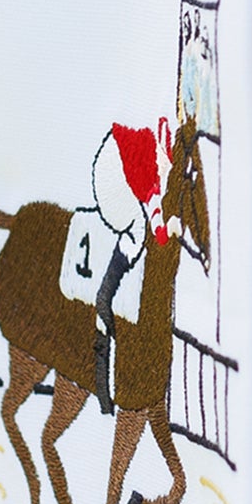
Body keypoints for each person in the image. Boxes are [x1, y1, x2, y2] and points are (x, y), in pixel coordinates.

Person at [89, 120, 172, 413]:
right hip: (113, 173)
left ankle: (106, 296)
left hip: (113, 155)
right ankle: (105, 295)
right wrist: (163, 230)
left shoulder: (156, 147)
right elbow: (156, 220)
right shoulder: (150, 170)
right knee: (137, 233)